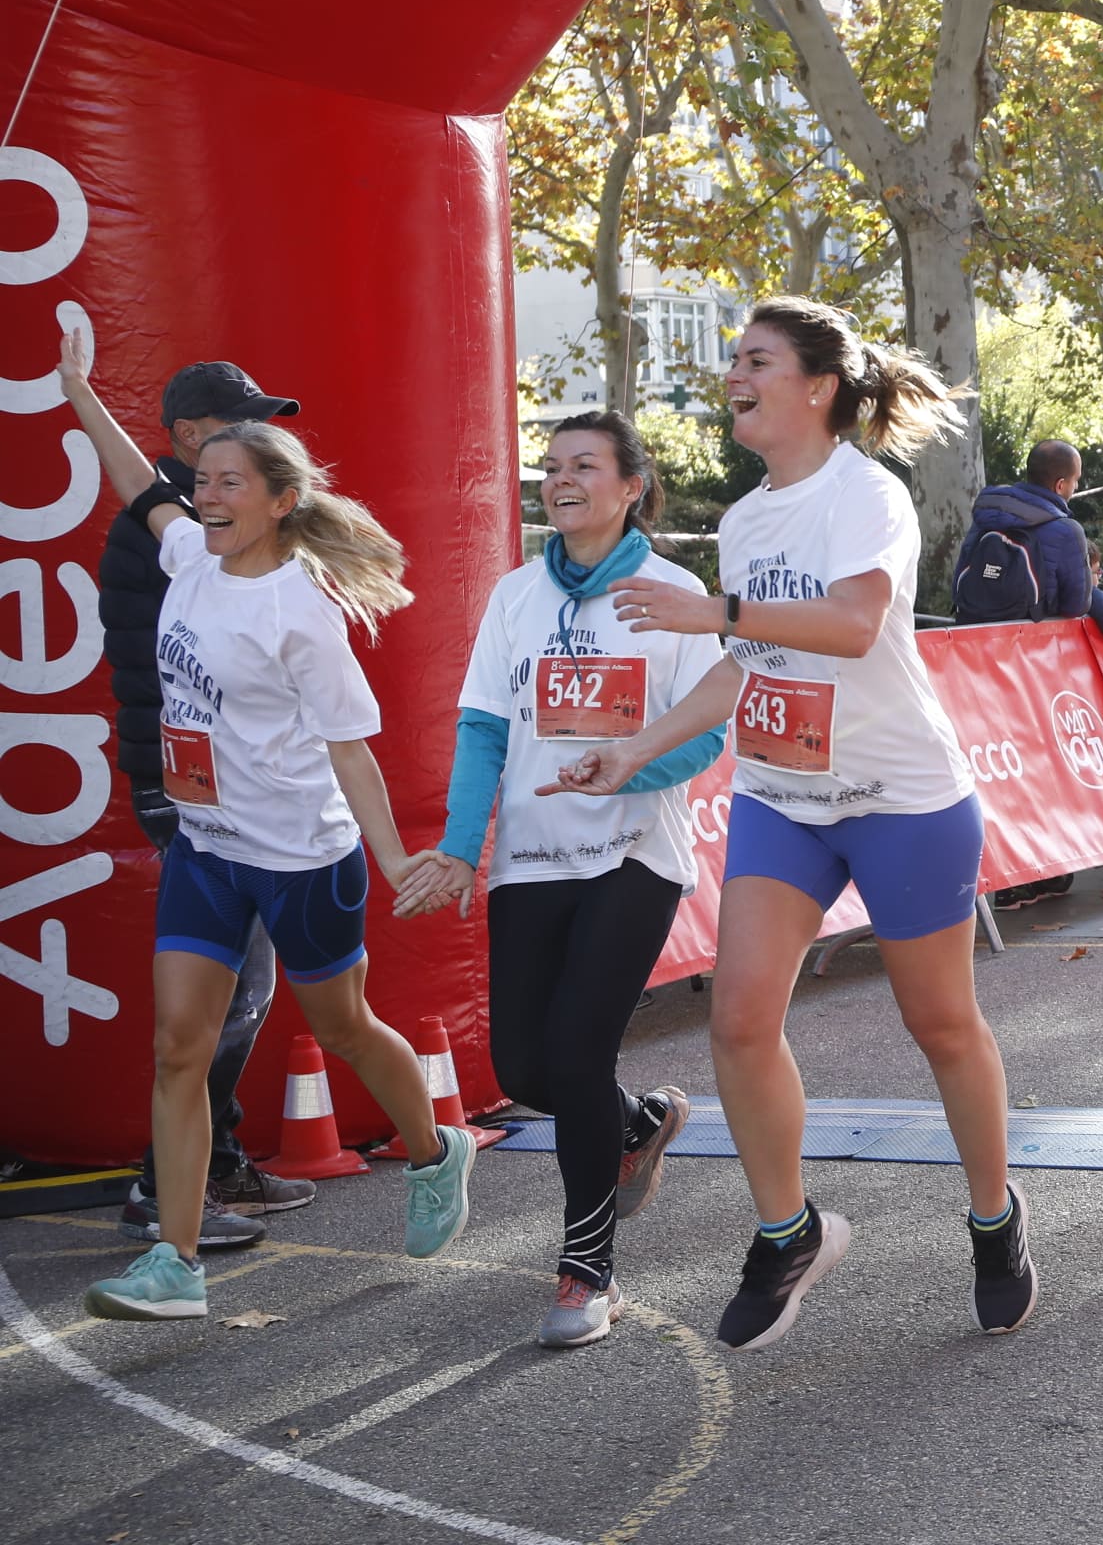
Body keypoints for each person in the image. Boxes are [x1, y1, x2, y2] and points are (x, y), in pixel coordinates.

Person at [536, 296, 1034, 1346]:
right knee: (739, 1018)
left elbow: (852, 625)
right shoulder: (748, 515)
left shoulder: (869, 497)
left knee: (940, 1026)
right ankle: (788, 1232)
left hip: (903, 800)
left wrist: (711, 610)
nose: (733, 376)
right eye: (731, 362)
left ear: (816, 386)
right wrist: (639, 744)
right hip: (783, 799)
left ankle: (995, 1218)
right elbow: (750, 657)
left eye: (754, 360)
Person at [57, 331, 477, 1323]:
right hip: (209, 847)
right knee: (178, 1046)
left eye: (228, 483)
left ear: (279, 500)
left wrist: (396, 862)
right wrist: (76, 387)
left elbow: (351, 754)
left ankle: (433, 1149)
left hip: (301, 859)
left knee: (342, 1026)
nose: (204, 494)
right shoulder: (187, 558)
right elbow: (133, 479)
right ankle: (176, 1257)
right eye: (201, 480)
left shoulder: (302, 612)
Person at [398, 411, 720, 1347]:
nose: (562, 479)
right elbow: (484, 729)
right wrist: (462, 848)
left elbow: (706, 728)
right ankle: (636, 1125)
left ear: (632, 487)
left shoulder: (674, 592)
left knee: (577, 1052)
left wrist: (631, 764)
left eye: (585, 465)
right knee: (522, 1066)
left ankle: (588, 1272)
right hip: (530, 853)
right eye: (551, 466)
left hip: (634, 850)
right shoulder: (514, 597)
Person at [97, 360, 315, 1251]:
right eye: (240, 426)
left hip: (221, 785)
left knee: (244, 991)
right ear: (190, 439)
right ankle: (163, 1190)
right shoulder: (183, 532)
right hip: (195, 790)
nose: (257, 441)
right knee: (232, 996)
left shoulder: (205, 523)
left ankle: (214, 1161)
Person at [954, 439, 1097, 625]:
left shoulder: (987, 513)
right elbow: (1076, 606)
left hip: (971, 635)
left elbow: (960, 577)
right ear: (1060, 485)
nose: (1076, 487)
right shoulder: (1067, 530)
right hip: (1029, 644)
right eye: (1076, 480)